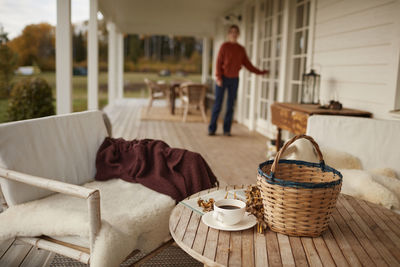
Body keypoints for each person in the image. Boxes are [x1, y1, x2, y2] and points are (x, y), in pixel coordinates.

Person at [208, 24, 269, 136]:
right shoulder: (224, 46)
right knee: (218, 104)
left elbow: (248, 65)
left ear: (238, 34)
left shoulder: (241, 49)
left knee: (230, 105)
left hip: (234, 79)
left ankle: (227, 130)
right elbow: (218, 63)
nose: (233, 34)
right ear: (228, 34)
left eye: (236, 32)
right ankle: (212, 129)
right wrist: (218, 77)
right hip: (222, 79)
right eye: (231, 32)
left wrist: (261, 72)